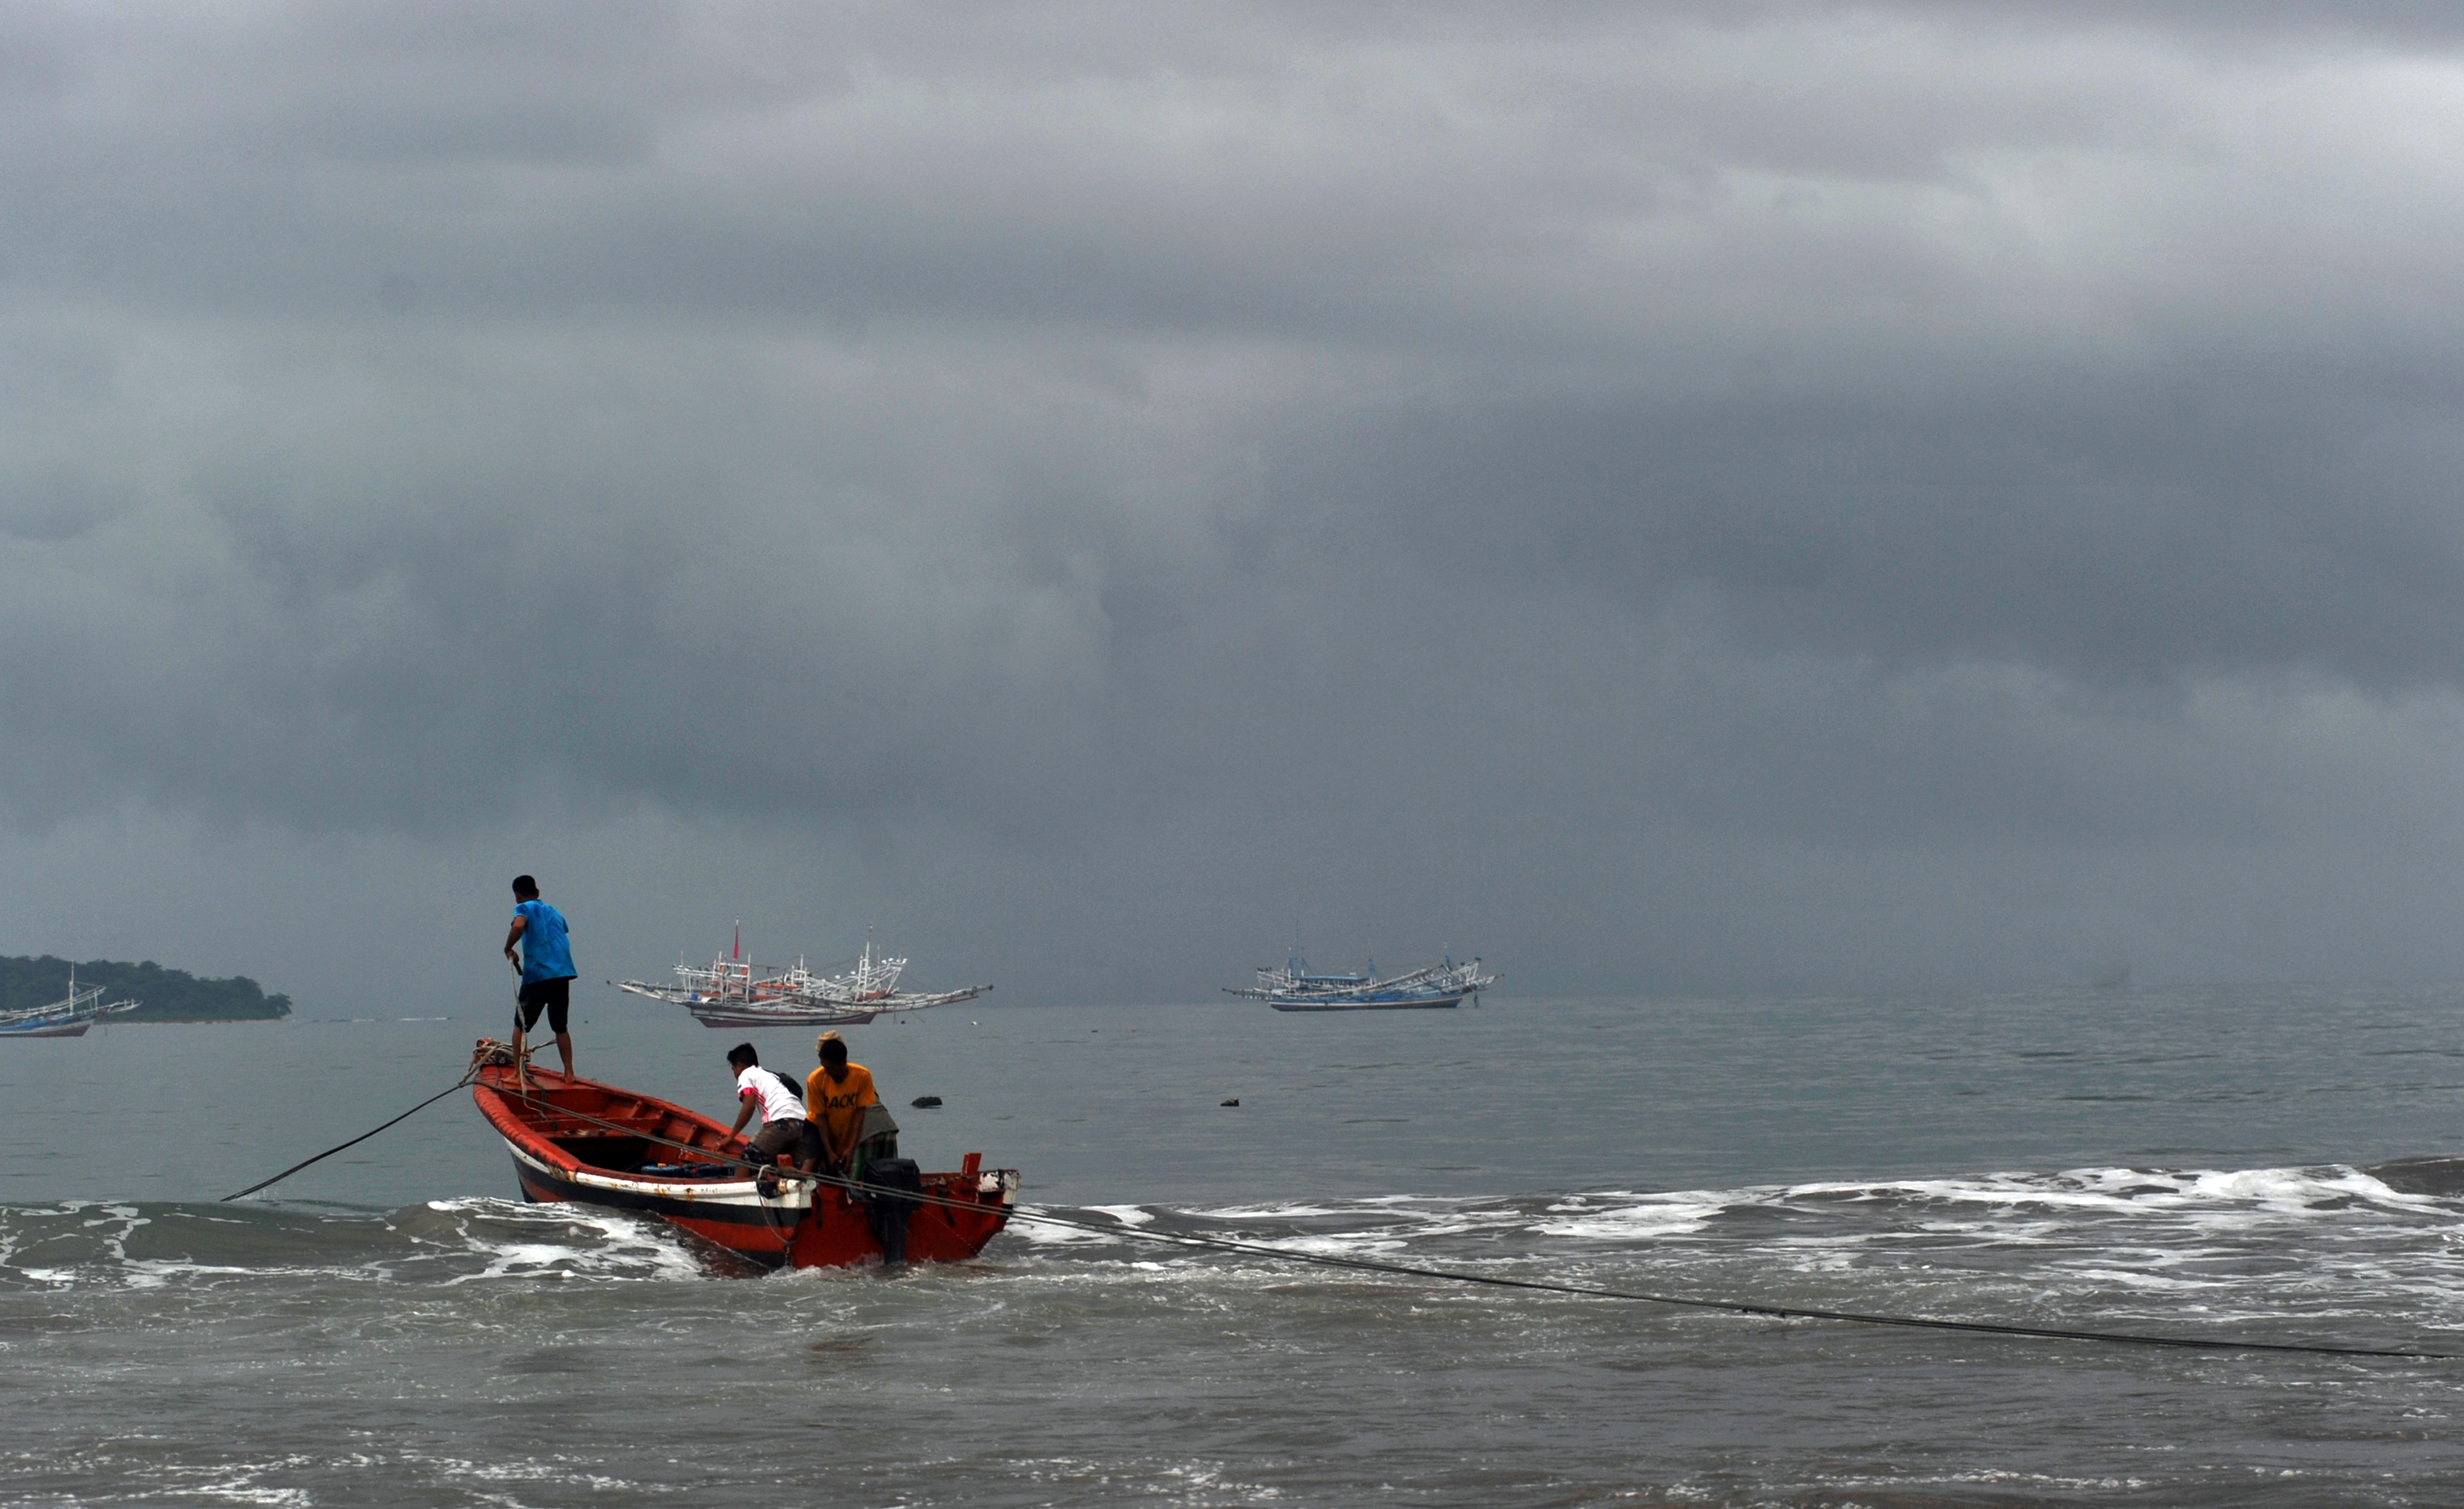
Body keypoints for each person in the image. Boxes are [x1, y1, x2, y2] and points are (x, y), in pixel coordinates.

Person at [502, 875, 577, 1085]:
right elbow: (560, 932)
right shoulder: (555, 911)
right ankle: (569, 1073)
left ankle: (517, 1074)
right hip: (562, 973)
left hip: (538, 974)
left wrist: (508, 948)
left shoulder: (523, 908)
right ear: (538, 892)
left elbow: (519, 926)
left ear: (517, 895)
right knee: (560, 1026)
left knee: (521, 1024)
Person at [726, 1043, 815, 1172]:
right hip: (803, 1125)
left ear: (739, 1066)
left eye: (733, 1069)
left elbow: (749, 1106)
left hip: (781, 1123)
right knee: (798, 1172)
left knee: (747, 1162)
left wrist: (731, 1136)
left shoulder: (746, 1075)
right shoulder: (771, 1076)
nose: (735, 1073)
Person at [805, 1031, 881, 1176]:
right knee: (815, 1159)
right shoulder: (815, 1080)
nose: (826, 1071)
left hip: (843, 1129)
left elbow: (860, 1115)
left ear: (843, 1063)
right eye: (823, 1066)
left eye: (830, 1068)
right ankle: (797, 1186)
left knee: (841, 1170)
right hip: (816, 1126)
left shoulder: (862, 1076)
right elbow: (821, 1118)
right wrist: (828, 1151)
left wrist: (851, 1148)